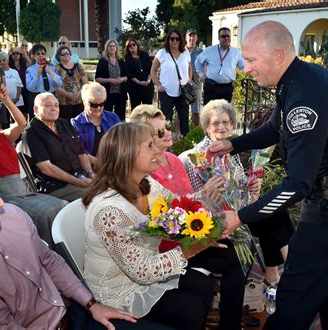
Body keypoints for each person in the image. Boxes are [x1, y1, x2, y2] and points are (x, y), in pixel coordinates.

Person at [206, 21, 328, 330]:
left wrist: (240, 217)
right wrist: (232, 143)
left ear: (279, 54)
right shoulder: (295, 80)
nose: (246, 68)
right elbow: (274, 129)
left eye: (252, 59)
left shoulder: (307, 95)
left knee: (293, 299)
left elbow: (297, 183)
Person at [0, 150, 143, 329]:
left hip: (75, 314)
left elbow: (48, 260)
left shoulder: (11, 218)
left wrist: (92, 304)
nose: (1, 204)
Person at [82, 122, 225, 330]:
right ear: (128, 154)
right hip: (118, 290)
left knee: (203, 286)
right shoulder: (110, 210)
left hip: (145, 271)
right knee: (190, 310)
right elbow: (141, 271)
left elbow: (176, 205)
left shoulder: (146, 184)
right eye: (150, 146)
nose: (158, 150)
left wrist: (209, 207)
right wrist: (191, 249)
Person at [129, 104, 248, 329]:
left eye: (167, 128)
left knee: (235, 257)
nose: (168, 134)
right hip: (168, 244)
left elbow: (184, 202)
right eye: (160, 132)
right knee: (228, 261)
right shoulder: (144, 171)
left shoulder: (173, 159)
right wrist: (203, 195)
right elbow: (164, 214)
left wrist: (207, 200)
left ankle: (230, 324)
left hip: (189, 233)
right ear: (144, 139)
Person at [185, 99, 293, 286]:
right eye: (215, 123)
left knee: (275, 212)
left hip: (239, 214)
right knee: (268, 217)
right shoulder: (196, 158)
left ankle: (277, 274)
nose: (221, 127)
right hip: (216, 219)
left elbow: (245, 198)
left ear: (232, 125)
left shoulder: (230, 153)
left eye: (226, 122)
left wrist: (253, 189)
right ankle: (285, 276)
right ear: (206, 127)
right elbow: (193, 203)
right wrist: (205, 193)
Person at [0, 77, 66, 247]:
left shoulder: (2, 137)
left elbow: (22, 123)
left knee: (63, 206)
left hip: (22, 189)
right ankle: (49, 251)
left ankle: (64, 247)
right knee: (47, 213)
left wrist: (5, 99)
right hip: (3, 195)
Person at [23, 92, 94, 201]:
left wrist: (90, 173)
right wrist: (78, 182)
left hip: (80, 177)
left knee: (112, 187)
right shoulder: (32, 132)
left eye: (56, 105)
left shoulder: (64, 123)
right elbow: (46, 168)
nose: (54, 108)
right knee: (95, 195)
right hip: (55, 186)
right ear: (36, 109)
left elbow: (81, 153)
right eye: (48, 105)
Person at [151, 29, 191, 136]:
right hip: (166, 91)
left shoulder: (185, 52)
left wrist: (189, 81)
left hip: (183, 92)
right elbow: (153, 71)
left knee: (184, 120)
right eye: (172, 38)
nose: (174, 41)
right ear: (168, 40)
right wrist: (158, 85)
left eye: (177, 39)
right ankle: (165, 146)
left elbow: (189, 68)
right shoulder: (162, 53)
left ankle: (186, 145)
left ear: (180, 40)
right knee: (165, 120)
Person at [195, 27, 244, 105]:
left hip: (227, 88)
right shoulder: (210, 50)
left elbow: (243, 66)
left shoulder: (236, 52)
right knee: (209, 114)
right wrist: (201, 74)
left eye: (228, 36)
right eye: (223, 36)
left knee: (225, 114)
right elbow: (198, 61)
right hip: (211, 87)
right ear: (219, 38)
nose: (226, 38)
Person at [72, 82, 120, 156]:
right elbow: (78, 151)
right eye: (94, 104)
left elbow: (122, 142)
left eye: (101, 104)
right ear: (85, 103)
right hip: (90, 164)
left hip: (114, 161)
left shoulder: (113, 117)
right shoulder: (76, 123)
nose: (98, 108)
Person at [95, 39, 128, 121]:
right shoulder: (102, 61)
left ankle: (120, 132)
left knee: (120, 117)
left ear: (116, 48)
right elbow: (97, 78)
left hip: (120, 93)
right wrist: (110, 80)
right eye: (110, 46)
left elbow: (127, 76)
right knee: (106, 116)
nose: (112, 48)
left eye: (114, 46)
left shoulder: (121, 61)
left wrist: (122, 78)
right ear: (107, 48)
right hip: (107, 93)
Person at [55, 45, 88, 120]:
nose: (66, 55)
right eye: (63, 54)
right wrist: (68, 95)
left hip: (79, 101)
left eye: (67, 53)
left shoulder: (78, 66)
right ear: (58, 56)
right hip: (63, 103)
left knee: (79, 124)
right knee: (65, 125)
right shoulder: (56, 68)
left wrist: (78, 93)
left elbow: (85, 83)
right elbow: (56, 86)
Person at [26, 43, 62, 112]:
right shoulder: (29, 70)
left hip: (51, 96)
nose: (41, 56)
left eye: (43, 53)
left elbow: (59, 84)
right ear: (33, 56)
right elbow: (30, 88)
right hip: (36, 96)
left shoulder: (52, 67)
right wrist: (37, 76)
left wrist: (51, 74)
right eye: (38, 54)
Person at [124, 38, 154, 109]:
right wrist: (139, 82)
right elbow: (129, 73)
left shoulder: (144, 54)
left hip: (147, 87)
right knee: (136, 110)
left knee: (148, 110)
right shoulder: (127, 58)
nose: (132, 46)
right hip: (135, 88)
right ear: (127, 48)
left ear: (137, 45)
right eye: (129, 46)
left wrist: (148, 80)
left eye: (133, 44)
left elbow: (151, 69)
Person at [185, 29, 203, 127]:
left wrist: (199, 74)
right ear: (186, 38)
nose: (192, 38)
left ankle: (196, 134)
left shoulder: (201, 52)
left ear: (196, 38)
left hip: (196, 84)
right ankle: (180, 134)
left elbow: (205, 68)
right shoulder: (181, 51)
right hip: (183, 84)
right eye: (190, 36)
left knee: (196, 111)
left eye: (194, 36)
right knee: (182, 111)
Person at [9, 47, 30, 117]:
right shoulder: (9, 66)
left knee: (25, 111)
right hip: (14, 90)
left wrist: (25, 54)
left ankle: (25, 126)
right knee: (15, 111)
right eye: (13, 53)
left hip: (25, 89)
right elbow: (1, 61)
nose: (16, 55)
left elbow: (30, 64)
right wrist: (8, 53)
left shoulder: (24, 64)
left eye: (18, 53)